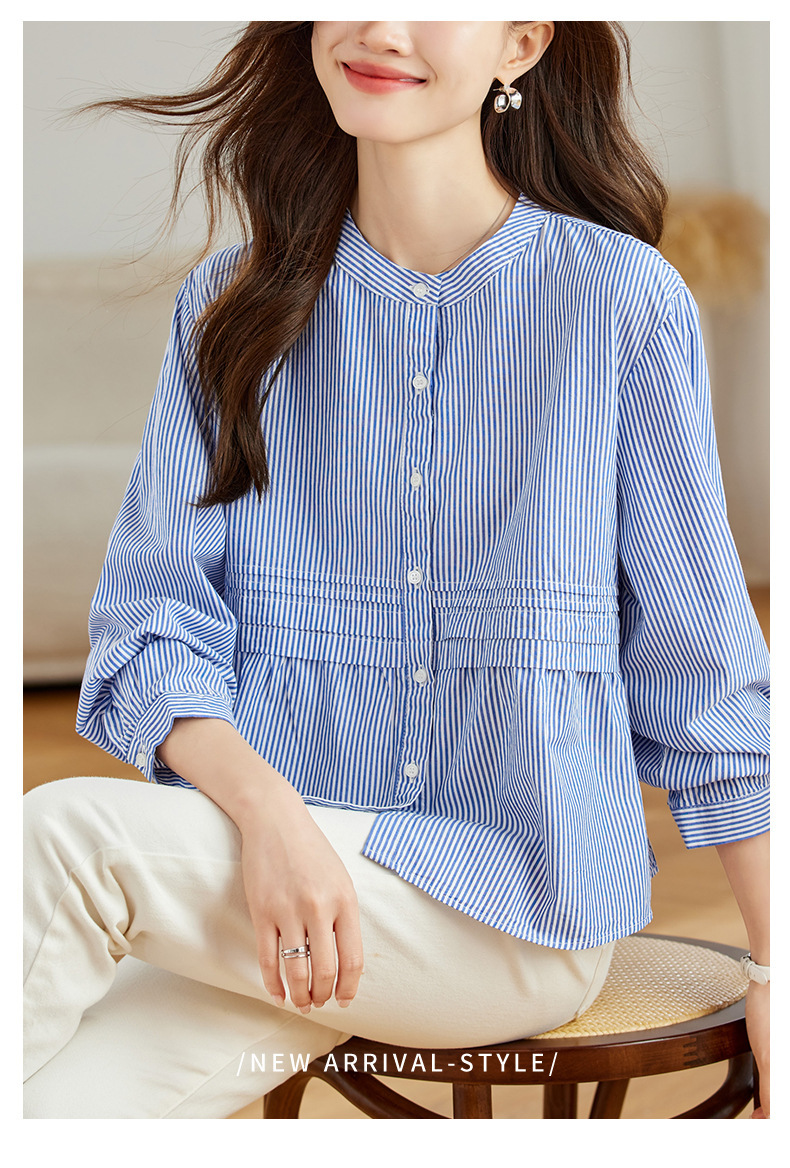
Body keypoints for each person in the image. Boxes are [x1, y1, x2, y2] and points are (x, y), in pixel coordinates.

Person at [24, 21, 770, 1119]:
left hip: (512, 916)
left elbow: (700, 665)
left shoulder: (618, 301)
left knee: (63, 838)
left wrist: (776, 966)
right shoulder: (232, 307)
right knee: (51, 1110)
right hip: (281, 895)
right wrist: (274, 822)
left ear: (520, 43)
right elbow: (153, 631)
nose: (379, 26)